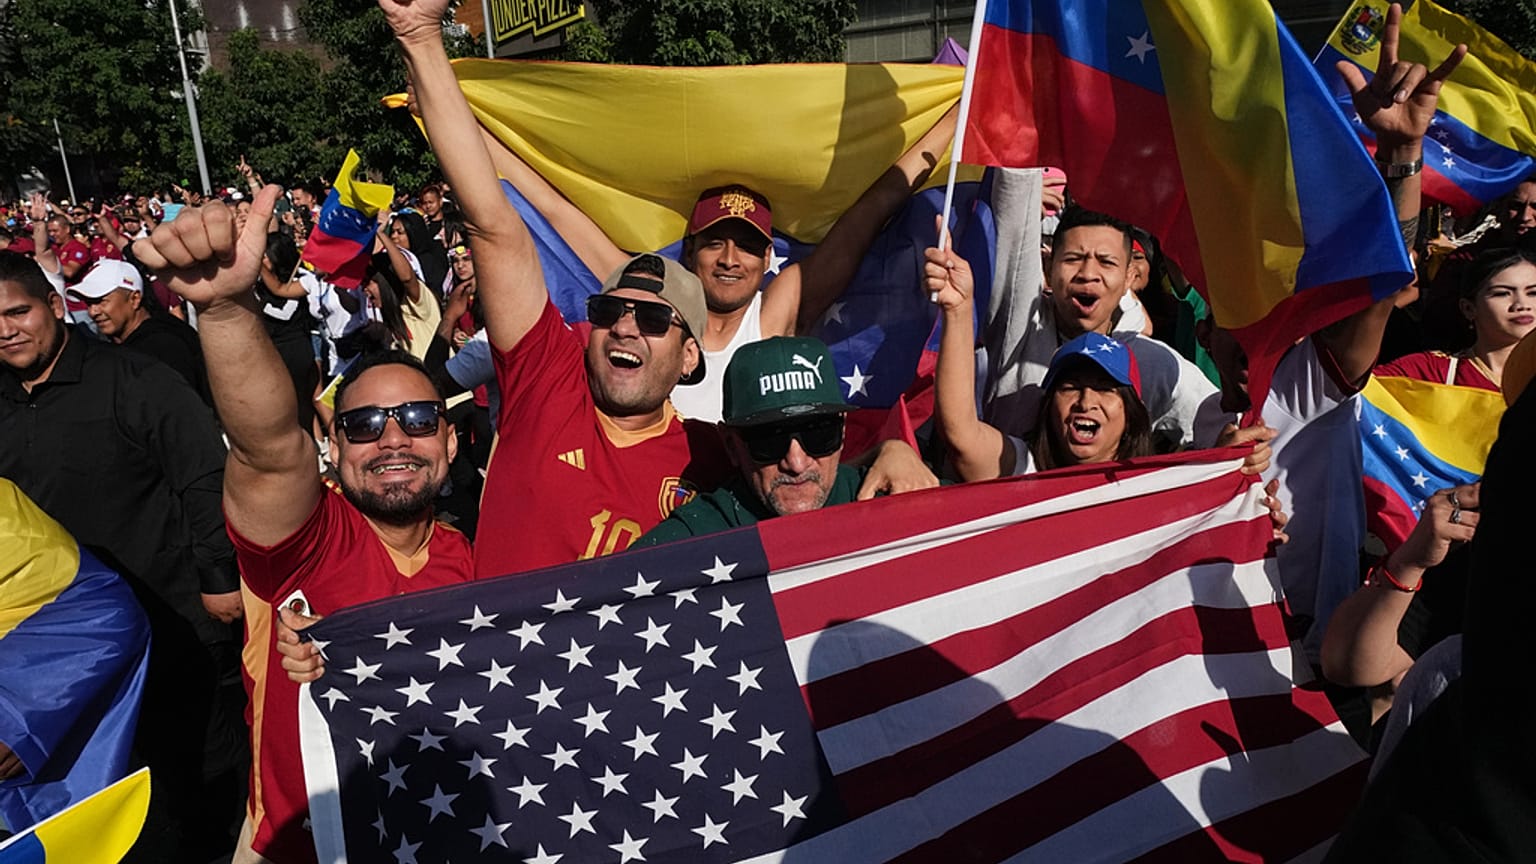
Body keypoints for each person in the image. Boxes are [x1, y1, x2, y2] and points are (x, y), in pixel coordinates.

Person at [132, 187, 474, 864]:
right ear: (334, 447)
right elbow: (267, 448)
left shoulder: (474, 560)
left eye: (417, 420)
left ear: (451, 440)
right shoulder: (303, 541)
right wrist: (224, 311)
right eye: (364, 425)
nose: (393, 439)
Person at [1193, 6, 1463, 663]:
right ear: (1204, 328)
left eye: (1267, 312)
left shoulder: (1306, 381)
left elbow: (1381, 290)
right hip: (1217, 649)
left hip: (1312, 656)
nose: (1251, 331)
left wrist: (1401, 155)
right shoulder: (1202, 416)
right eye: (1233, 317)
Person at [464, 77, 961, 423]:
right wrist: (466, 126)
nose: (729, 259)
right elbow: (555, 210)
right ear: (689, 252)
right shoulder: (652, 306)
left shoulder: (774, 314)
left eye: (747, 247)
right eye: (714, 243)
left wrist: (959, 118)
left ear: (767, 260)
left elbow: (868, 214)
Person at [0, 250, 244, 860]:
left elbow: (203, 476)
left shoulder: (137, 379)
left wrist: (219, 576)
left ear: (55, 306)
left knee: (200, 782)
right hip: (56, 658)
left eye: (17, 312)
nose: (5, 330)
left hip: (171, 621)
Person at [635, 337, 937, 543]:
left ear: (843, 430)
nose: (796, 462)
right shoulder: (693, 538)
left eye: (818, 434)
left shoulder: (900, 500)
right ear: (731, 445)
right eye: (769, 440)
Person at [1376, 245, 1536, 389]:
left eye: (1533, 293)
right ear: (1468, 308)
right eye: (1502, 293)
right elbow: (1364, 395)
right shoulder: (1429, 372)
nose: (1522, 305)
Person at [68, 258, 209, 400]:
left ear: (134, 299)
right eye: (88, 303)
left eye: (100, 301)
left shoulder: (163, 346)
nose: (93, 312)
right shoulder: (125, 344)